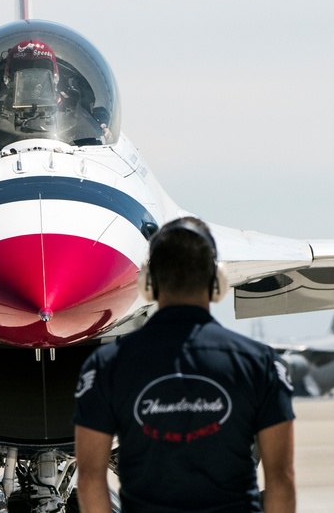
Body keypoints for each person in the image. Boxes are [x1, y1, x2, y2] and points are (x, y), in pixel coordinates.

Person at [73, 217, 296, 513]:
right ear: (218, 281)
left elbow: (89, 478)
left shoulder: (105, 366)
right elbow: (281, 479)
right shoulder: (261, 365)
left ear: (148, 282)